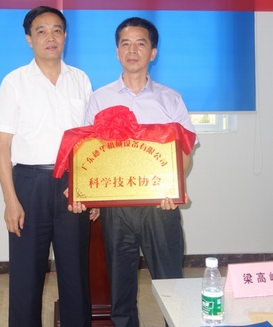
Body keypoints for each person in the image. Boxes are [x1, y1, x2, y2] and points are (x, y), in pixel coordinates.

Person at [83, 17, 198, 327]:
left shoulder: (170, 99)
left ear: (153, 52)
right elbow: (89, 154)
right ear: (117, 51)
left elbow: (184, 151)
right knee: (120, 288)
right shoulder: (100, 98)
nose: (132, 50)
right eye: (125, 43)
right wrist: (93, 196)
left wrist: (173, 189)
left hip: (159, 205)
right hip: (116, 208)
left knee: (170, 282)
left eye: (140, 43)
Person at [0, 6, 92, 327]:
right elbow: (2, 146)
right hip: (29, 184)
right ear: (29, 39)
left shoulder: (80, 80)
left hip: (72, 185)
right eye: (41, 31)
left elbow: (90, 141)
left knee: (76, 275)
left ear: (65, 36)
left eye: (57, 30)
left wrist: (91, 191)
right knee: (26, 277)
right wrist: (10, 200)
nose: (50, 37)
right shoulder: (14, 82)